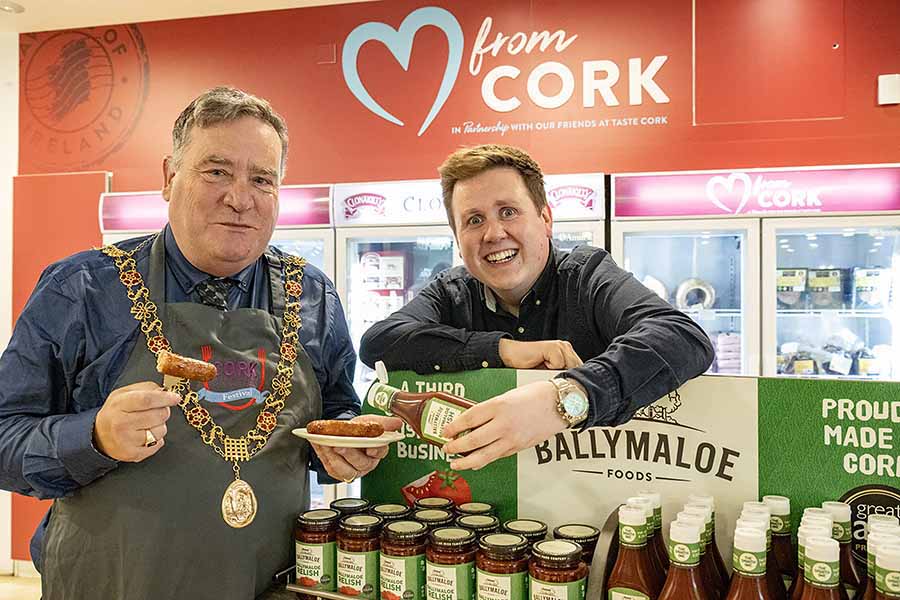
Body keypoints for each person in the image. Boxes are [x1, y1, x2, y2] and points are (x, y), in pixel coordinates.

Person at [0, 87, 399, 600]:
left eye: (262, 179)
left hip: (270, 587)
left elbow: (336, 411)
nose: (240, 198)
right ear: (170, 177)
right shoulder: (83, 289)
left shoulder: (313, 295)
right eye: (216, 172)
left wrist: (345, 446)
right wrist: (94, 436)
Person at [360, 144, 714, 472]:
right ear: (457, 238)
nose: (493, 233)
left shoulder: (586, 277)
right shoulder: (451, 292)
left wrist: (563, 398)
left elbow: (682, 337)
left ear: (545, 219)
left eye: (508, 212)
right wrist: (502, 350)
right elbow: (379, 342)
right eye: (474, 220)